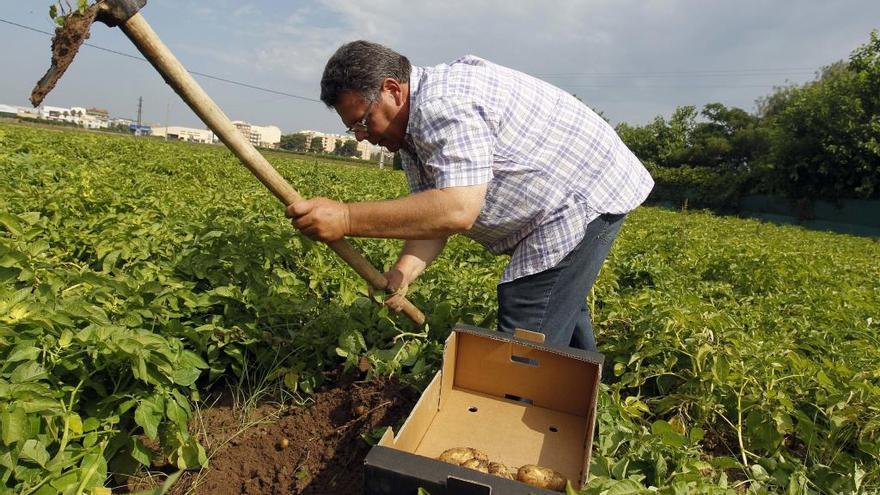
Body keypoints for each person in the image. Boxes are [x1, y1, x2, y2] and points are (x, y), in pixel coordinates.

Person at [287, 40, 653, 352]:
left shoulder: (441, 106)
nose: (361, 137)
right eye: (352, 127)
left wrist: (346, 219)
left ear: (393, 90)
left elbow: (457, 208)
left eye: (363, 122)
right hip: (567, 202)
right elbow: (435, 215)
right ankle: (584, 407)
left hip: (581, 201)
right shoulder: (410, 134)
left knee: (528, 318)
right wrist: (403, 272)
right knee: (557, 304)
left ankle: (520, 420)